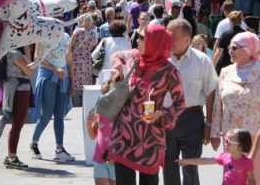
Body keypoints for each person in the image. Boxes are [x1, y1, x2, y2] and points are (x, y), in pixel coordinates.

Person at [108, 25, 186, 185]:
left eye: (142, 38)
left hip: (150, 139)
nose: (137, 40)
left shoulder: (170, 71)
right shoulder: (135, 57)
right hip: (123, 134)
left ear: (154, 42)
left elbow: (180, 103)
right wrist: (117, 67)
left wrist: (162, 114)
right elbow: (116, 55)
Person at [163, 19, 218, 185]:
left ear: (187, 39)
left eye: (174, 38)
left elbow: (211, 92)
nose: (169, 42)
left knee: (191, 166)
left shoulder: (202, 60)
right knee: (169, 167)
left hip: (192, 118)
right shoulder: (161, 60)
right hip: (166, 118)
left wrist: (209, 125)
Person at [210, 31, 260, 183]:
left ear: (249, 50)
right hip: (231, 139)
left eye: (235, 47)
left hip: (255, 139)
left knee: (254, 178)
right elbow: (218, 104)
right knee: (233, 178)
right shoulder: (225, 72)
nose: (230, 51)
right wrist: (214, 132)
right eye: (230, 47)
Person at [30, 30, 75, 162]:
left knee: (60, 115)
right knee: (46, 114)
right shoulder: (41, 36)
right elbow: (37, 58)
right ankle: (33, 144)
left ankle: (59, 149)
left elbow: (69, 59)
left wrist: (72, 83)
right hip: (48, 77)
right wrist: (55, 69)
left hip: (63, 78)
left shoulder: (66, 36)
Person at [178, 128, 255, 185]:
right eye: (225, 140)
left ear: (240, 146)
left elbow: (251, 180)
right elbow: (206, 161)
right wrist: (187, 161)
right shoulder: (224, 157)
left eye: (228, 142)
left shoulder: (246, 162)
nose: (225, 143)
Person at [2, 49, 34, 169]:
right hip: (19, 91)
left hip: (16, 90)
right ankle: (12, 157)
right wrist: (27, 50)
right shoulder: (15, 53)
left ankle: (11, 155)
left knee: (17, 124)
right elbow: (29, 70)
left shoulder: (10, 52)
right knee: (17, 124)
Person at [92, 20, 131, 85]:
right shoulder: (127, 43)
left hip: (105, 74)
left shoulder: (105, 41)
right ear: (123, 31)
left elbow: (93, 55)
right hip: (121, 76)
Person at [71, 14, 97, 105]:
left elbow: (71, 44)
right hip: (86, 58)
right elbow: (91, 46)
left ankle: (75, 100)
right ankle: (85, 100)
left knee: (76, 77)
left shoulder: (77, 31)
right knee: (86, 78)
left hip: (76, 57)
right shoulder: (92, 33)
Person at [87, 108, 115, 185]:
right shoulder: (100, 114)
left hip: (116, 160)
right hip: (99, 158)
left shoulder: (120, 114)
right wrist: (89, 123)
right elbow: (93, 136)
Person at [212, 11, 245, 75]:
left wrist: (212, 65)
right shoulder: (246, 34)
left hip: (226, 66)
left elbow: (219, 52)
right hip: (241, 66)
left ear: (230, 21)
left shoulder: (225, 34)